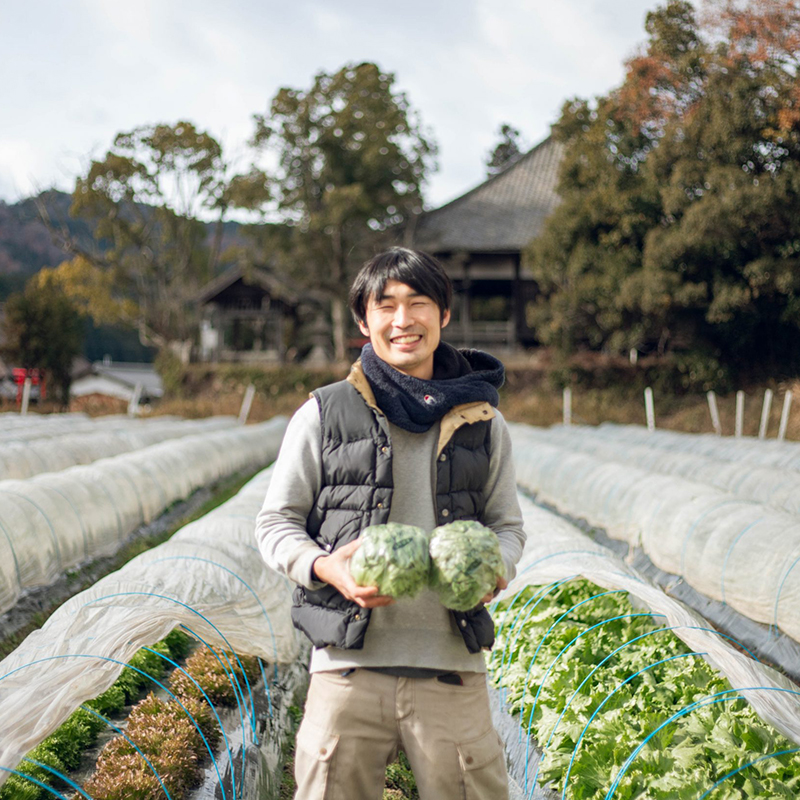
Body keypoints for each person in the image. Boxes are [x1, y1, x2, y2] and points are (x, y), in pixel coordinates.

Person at [255, 247, 526, 799]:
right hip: (347, 669)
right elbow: (276, 522)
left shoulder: (483, 421)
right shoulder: (324, 413)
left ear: (443, 314)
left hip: (452, 669)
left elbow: (507, 525)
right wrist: (325, 567)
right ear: (364, 320)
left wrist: (495, 564)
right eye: (386, 306)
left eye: (418, 303)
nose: (403, 320)